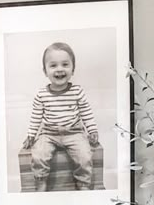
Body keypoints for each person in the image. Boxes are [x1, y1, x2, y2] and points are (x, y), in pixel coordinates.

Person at [22, 41, 100, 191]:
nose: (60, 69)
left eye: (65, 64)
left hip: (73, 132)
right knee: (39, 155)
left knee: (84, 156)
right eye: (53, 65)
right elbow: (36, 117)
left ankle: (83, 183)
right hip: (49, 133)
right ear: (45, 71)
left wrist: (92, 131)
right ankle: (41, 181)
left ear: (73, 69)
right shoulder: (41, 94)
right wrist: (31, 135)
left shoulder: (77, 91)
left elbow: (86, 112)